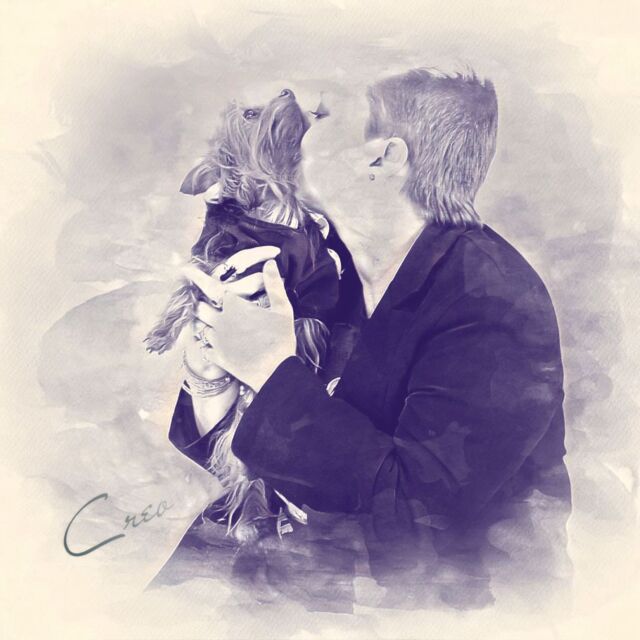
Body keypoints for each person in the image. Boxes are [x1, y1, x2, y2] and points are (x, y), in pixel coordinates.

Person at [177, 68, 572, 608]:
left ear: (382, 158)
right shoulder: (321, 262)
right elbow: (236, 464)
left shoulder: (493, 305)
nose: (300, 121)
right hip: (291, 580)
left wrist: (268, 369)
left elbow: (414, 522)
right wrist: (210, 378)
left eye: (322, 116)